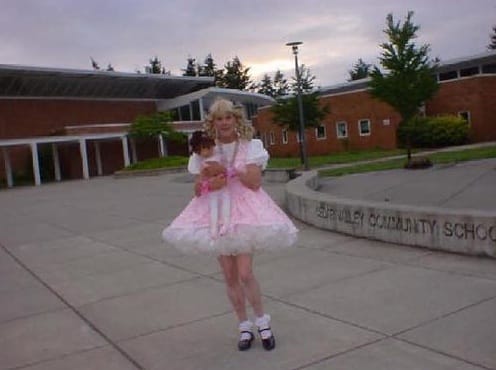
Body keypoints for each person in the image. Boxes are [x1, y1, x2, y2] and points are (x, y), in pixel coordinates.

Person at [162, 98, 298, 351]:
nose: (224, 123)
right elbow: (197, 189)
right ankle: (244, 326)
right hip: (216, 214)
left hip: (245, 212)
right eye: (219, 118)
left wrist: (230, 172)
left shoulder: (250, 146)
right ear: (212, 123)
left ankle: (262, 322)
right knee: (229, 275)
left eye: (228, 117)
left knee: (245, 273)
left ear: (236, 120)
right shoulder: (205, 149)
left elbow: (255, 183)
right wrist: (206, 184)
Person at [188, 130, 232, 240]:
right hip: (211, 188)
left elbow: (227, 169)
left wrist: (223, 171)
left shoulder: (219, 156)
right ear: (198, 152)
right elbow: (201, 179)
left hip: (224, 185)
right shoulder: (201, 163)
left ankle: (225, 225)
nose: (207, 152)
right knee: (213, 207)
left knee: (226, 204)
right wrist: (204, 177)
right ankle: (214, 229)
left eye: (209, 148)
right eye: (203, 150)